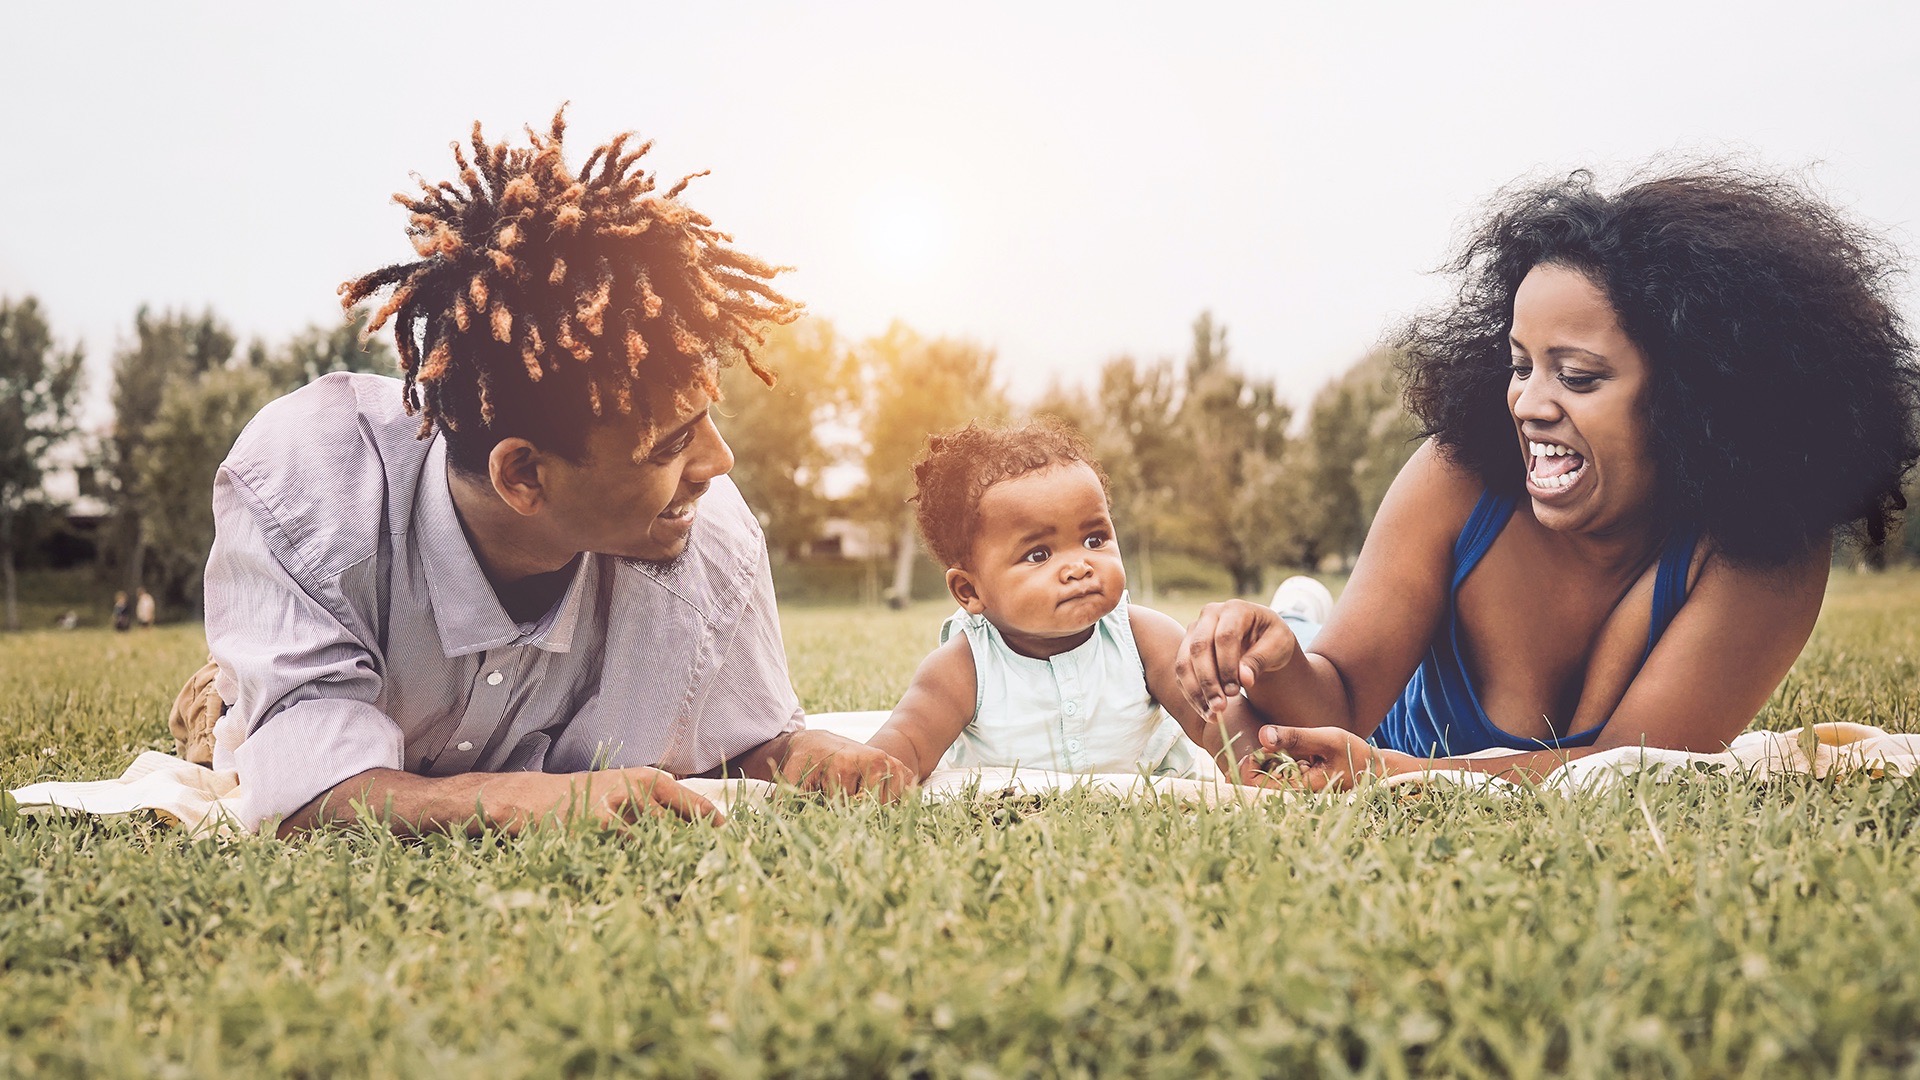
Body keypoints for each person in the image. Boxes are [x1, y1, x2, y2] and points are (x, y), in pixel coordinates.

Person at [201, 110, 908, 836]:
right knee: (245, 724)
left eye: (707, 418)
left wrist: (801, 753)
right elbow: (302, 798)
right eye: (670, 445)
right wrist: (521, 800)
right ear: (524, 476)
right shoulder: (307, 490)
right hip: (311, 631)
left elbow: (748, 743)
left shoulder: (714, 544)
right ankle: (233, 691)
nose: (718, 463)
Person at [1176, 167, 1919, 789]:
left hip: (1397, 756)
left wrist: (1396, 775)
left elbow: (1627, 774)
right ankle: (1296, 614)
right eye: (1520, 364)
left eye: (1578, 376)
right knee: (1257, 648)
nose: (1528, 404)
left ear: (1697, 394)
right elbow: (1333, 702)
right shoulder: (1457, 481)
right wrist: (1273, 663)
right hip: (1370, 709)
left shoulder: (1767, 550)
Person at [866, 420, 1293, 780]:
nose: (1079, 567)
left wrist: (1260, 765)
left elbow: (1215, 721)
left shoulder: (1143, 637)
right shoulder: (964, 664)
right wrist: (863, 771)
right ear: (970, 591)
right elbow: (906, 741)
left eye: (1094, 539)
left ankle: (1296, 606)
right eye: (1039, 554)